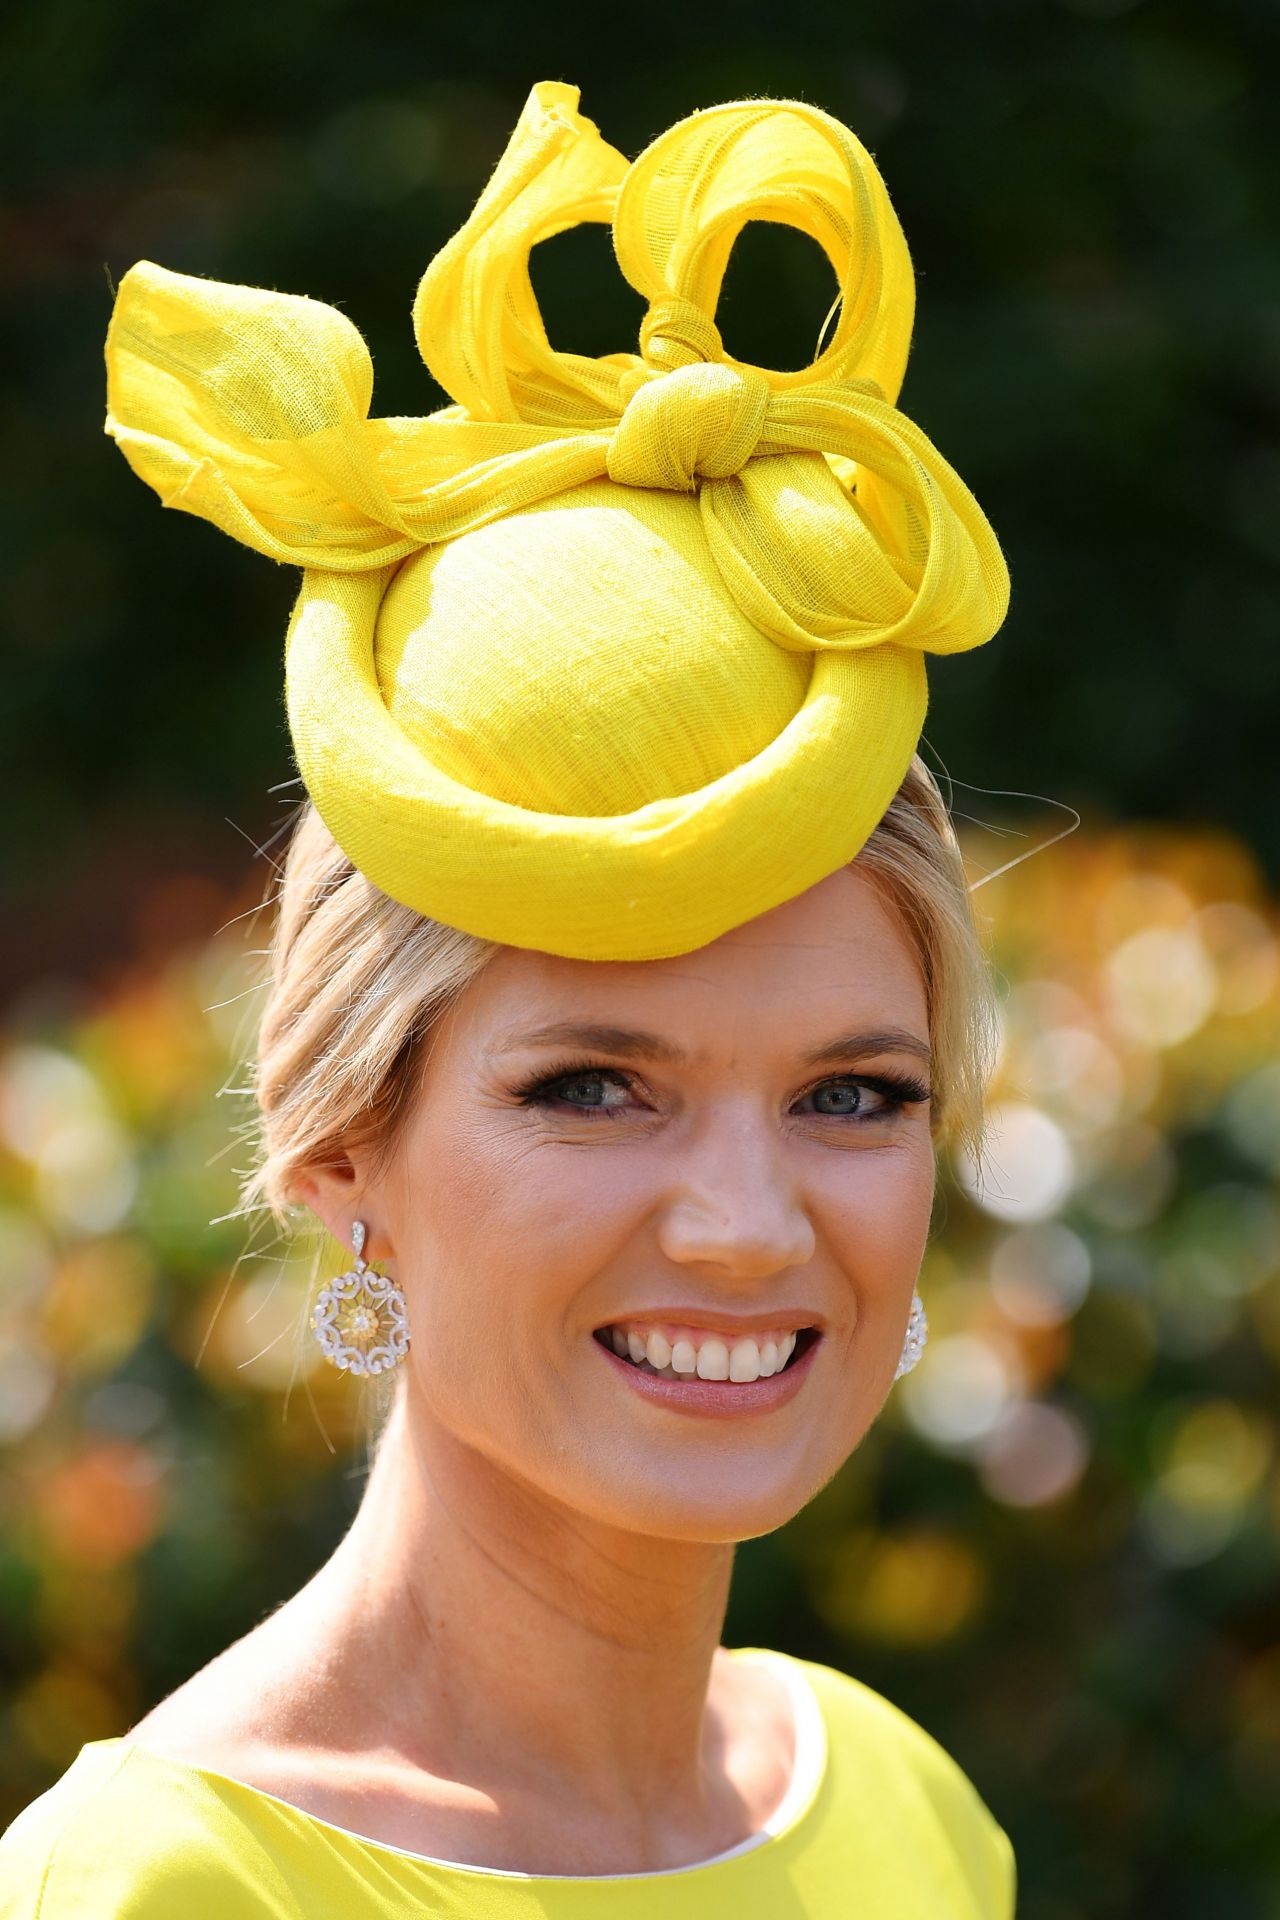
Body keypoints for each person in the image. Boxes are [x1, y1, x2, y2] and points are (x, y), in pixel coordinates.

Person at [1, 80, 1017, 1916]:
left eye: (853, 1094)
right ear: (339, 1151)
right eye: (593, 1088)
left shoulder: (910, 1814)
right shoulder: (168, 1884)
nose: (741, 1226)